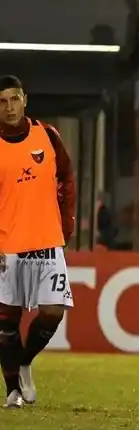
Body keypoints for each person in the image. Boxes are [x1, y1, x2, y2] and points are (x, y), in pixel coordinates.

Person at [0, 75, 76, 408]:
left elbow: (67, 180)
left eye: (14, 99)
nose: (9, 107)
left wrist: (67, 227)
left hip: (47, 240)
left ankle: (26, 361)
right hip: (8, 246)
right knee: (7, 322)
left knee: (52, 313)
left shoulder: (47, 135)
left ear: (25, 100)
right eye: (2, 101)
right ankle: (12, 390)